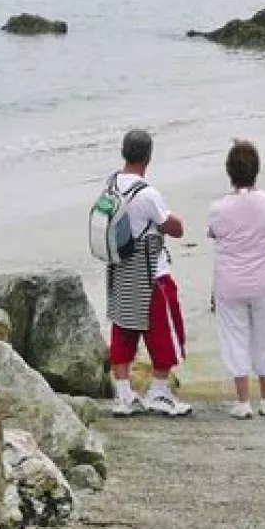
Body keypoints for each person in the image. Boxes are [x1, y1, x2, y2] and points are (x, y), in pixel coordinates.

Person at [106, 129, 192, 417]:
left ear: (123, 153)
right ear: (148, 157)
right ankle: (158, 392)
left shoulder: (111, 186)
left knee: (123, 329)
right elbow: (174, 228)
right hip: (151, 273)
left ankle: (123, 394)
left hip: (120, 271)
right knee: (164, 333)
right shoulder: (147, 194)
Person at [207, 140, 265, 419]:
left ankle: (243, 400)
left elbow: (214, 233)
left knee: (235, 337)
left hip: (230, 282)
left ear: (229, 172)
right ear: (256, 170)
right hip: (264, 280)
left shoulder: (219, 208)